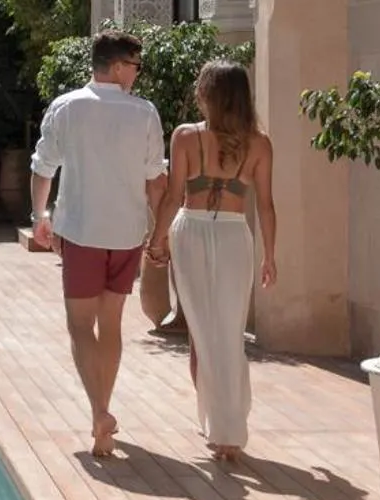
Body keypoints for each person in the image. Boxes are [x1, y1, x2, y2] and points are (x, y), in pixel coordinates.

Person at [30, 31, 167, 458]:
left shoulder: (67, 107)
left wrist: (40, 216)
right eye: (136, 66)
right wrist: (158, 233)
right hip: (126, 234)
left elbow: (43, 167)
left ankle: (99, 412)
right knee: (110, 326)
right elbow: (156, 181)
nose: (138, 75)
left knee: (78, 326)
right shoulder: (145, 113)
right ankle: (101, 423)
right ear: (119, 65)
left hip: (83, 232)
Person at [145, 60, 276, 463]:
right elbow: (267, 207)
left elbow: (171, 197)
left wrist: (156, 241)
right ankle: (225, 425)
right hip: (236, 236)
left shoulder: (186, 137)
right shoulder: (260, 143)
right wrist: (270, 255)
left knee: (202, 332)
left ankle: (219, 426)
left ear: (209, 94)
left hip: (192, 233)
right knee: (228, 332)